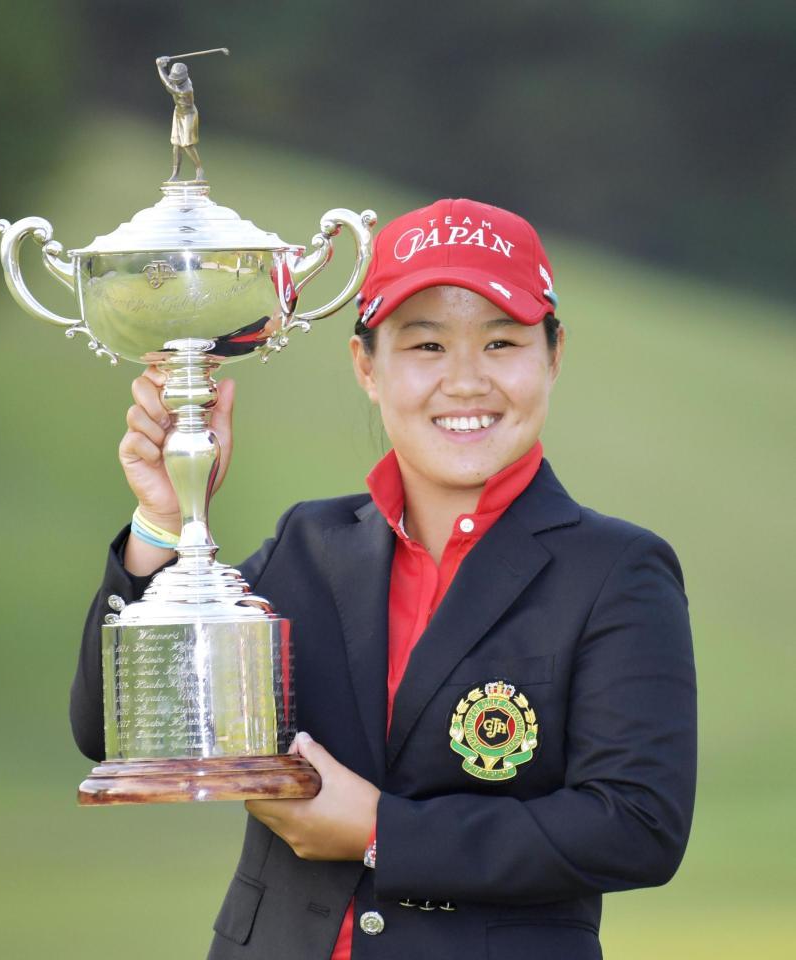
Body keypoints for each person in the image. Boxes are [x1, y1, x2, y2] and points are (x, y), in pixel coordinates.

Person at [70, 198, 696, 959]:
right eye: (425, 345)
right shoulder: (307, 548)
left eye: (501, 343)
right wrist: (165, 524)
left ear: (553, 354)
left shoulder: (615, 571)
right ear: (366, 366)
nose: (465, 381)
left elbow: (635, 827)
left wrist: (378, 830)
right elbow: (121, 734)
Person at [156, 57, 204, 182]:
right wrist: (164, 63)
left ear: (183, 78)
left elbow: (167, 83)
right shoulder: (180, 82)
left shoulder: (185, 90)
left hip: (189, 115)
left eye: (177, 80)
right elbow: (169, 80)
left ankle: (199, 170)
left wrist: (160, 66)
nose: (175, 81)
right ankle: (175, 174)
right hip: (178, 112)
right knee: (176, 145)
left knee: (187, 145)